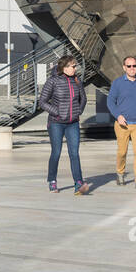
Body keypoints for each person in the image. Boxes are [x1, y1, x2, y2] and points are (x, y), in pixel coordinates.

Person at [38, 55, 90, 195]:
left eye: (75, 66)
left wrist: (78, 111)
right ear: (64, 68)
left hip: (73, 123)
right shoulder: (52, 81)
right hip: (56, 123)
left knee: (74, 153)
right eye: (73, 66)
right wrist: (57, 112)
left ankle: (78, 183)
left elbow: (83, 99)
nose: (75, 68)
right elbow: (42, 102)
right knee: (56, 152)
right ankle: (52, 180)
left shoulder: (77, 81)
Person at [108, 56, 136, 188]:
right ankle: (120, 173)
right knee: (122, 152)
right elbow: (110, 102)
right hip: (122, 124)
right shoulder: (117, 83)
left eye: (134, 66)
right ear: (124, 67)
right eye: (129, 66)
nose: (132, 68)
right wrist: (118, 115)